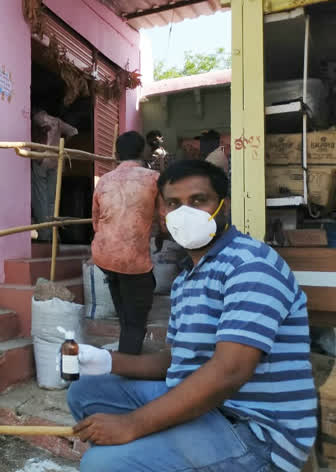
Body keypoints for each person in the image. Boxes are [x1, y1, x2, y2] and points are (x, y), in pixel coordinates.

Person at [68, 160, 316, 472]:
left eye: (198, 200)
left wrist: (132, 424)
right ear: (162, 212)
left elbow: (230, 371)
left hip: (255, 430)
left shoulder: (250, 265)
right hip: (208, 409)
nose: (184, 212)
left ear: (222, 207)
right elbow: (176, 361)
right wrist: (106, 361)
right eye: (173, 203)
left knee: (100, 465)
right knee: (86, 391)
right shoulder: (188, 277)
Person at [91, 131, 160, 354]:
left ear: (117, 153)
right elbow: (166, 219)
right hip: (133, 260)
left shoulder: (104, 180)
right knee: (135, 320)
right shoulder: (153, 178)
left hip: (104, 256)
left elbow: (96, 222)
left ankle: (126, 347)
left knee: (125, 309)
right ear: (142, 151)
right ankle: (127, 369)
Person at [30, 108, 78, 241]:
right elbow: (74, 131)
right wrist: (63, 142)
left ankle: (45, 235)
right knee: (52, 199)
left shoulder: (37, 118)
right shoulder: (57, 121)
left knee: (41, 198)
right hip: (56, 160)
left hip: (40, 158)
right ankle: (53, 234)